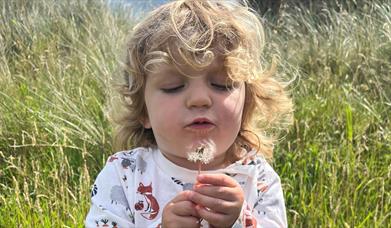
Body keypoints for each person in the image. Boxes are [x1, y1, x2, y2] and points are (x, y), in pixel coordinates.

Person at [85, 0, 293, 227]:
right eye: (173, 87)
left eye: (222, 84)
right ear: (143, 111)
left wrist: (239, 222)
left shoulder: (258, 179)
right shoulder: (124, 176)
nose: (199, 99)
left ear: (247, 102)